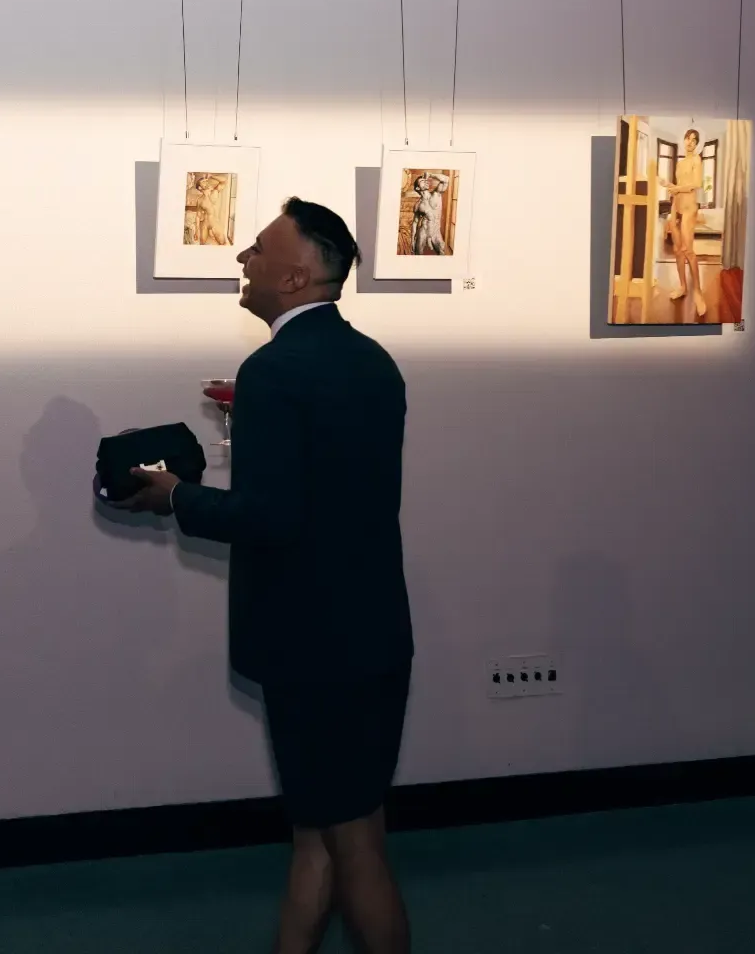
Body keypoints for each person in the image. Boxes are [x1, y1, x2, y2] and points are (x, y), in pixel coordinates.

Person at [112, 198, 414, 954]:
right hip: (374, 633)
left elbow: (271, 517)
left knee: (353, 845)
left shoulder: (275, 371)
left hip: (312, 647)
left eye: (255, 248)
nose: (242, 260)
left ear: (296, 276)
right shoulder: (373, 361)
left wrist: (174, 495)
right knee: (324, 831)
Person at [662, 129, 705, 318]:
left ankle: (698, 293)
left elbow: (696, 184)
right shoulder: (680, 163)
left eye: (694, 140)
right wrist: (668, 186)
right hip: (677, 207)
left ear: (696, 144)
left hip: (689, 209)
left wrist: (676, 188)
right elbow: (679, 188)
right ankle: (682, 287)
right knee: (678, 250)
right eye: (688, 138)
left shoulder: (697, 160)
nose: (690, 142)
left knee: (688, 250)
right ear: (684, 139)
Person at [407, 173, 448, 256]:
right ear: (418, 188)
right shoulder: (418, 205)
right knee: (418, 254)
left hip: (436, 231)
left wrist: (431, 175)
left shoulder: (436, 194)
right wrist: (412, 240)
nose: (425, 181)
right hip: (423, 231)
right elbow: (415, 222)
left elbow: (446, 179)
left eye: (425, 180)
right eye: (422, 181)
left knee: (442, 252)